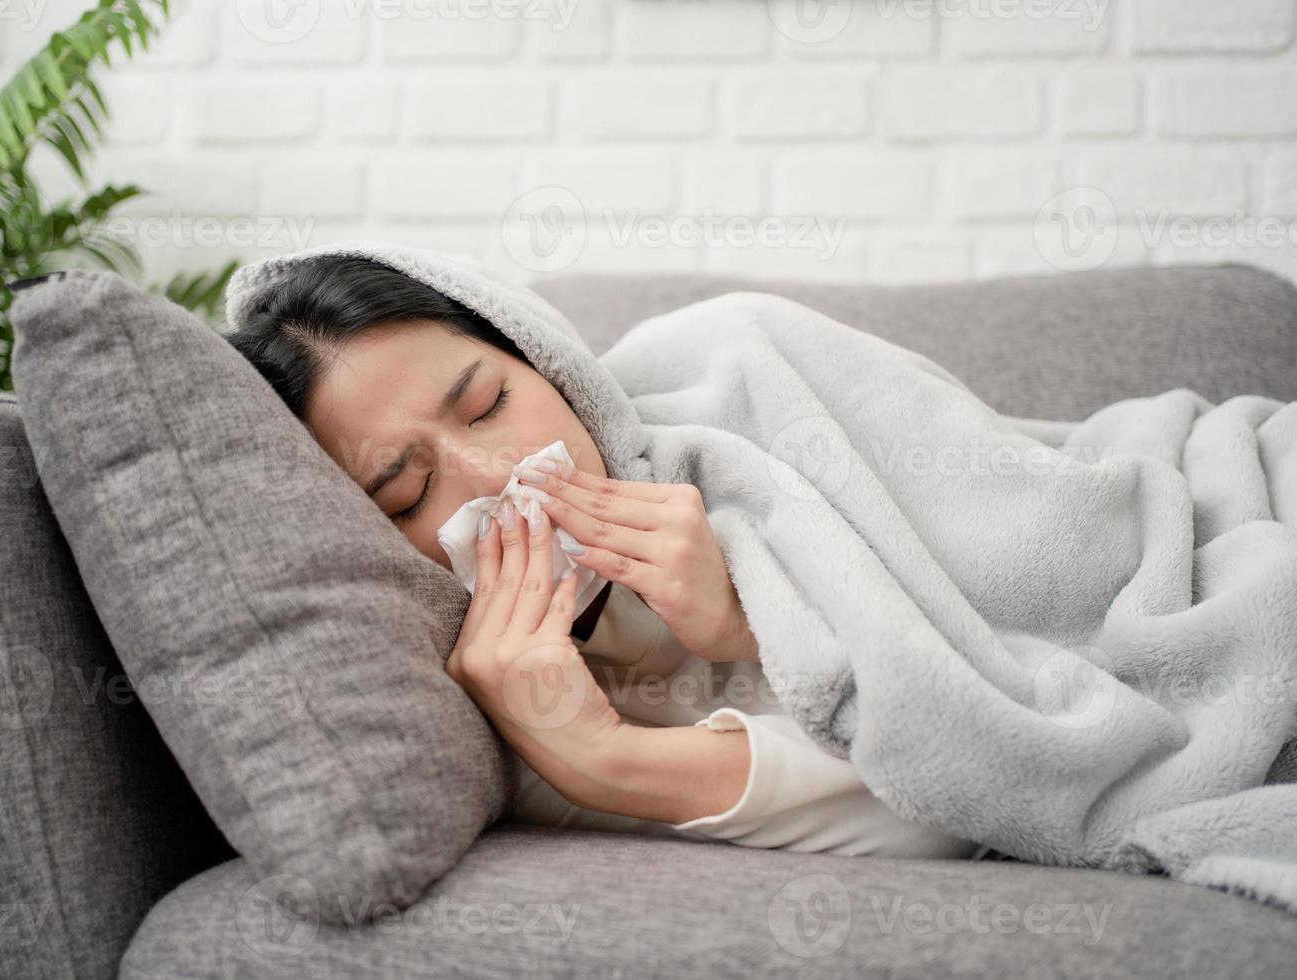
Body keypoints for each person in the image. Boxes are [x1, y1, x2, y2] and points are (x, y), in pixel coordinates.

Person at [226, 253, 989, 859]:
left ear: (546, 364)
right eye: (409, 493)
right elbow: (956, 798)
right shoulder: (493, 694)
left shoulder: (729, 379)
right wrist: (601, 755)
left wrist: (753, 614)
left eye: (489, 404)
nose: (497, 475)